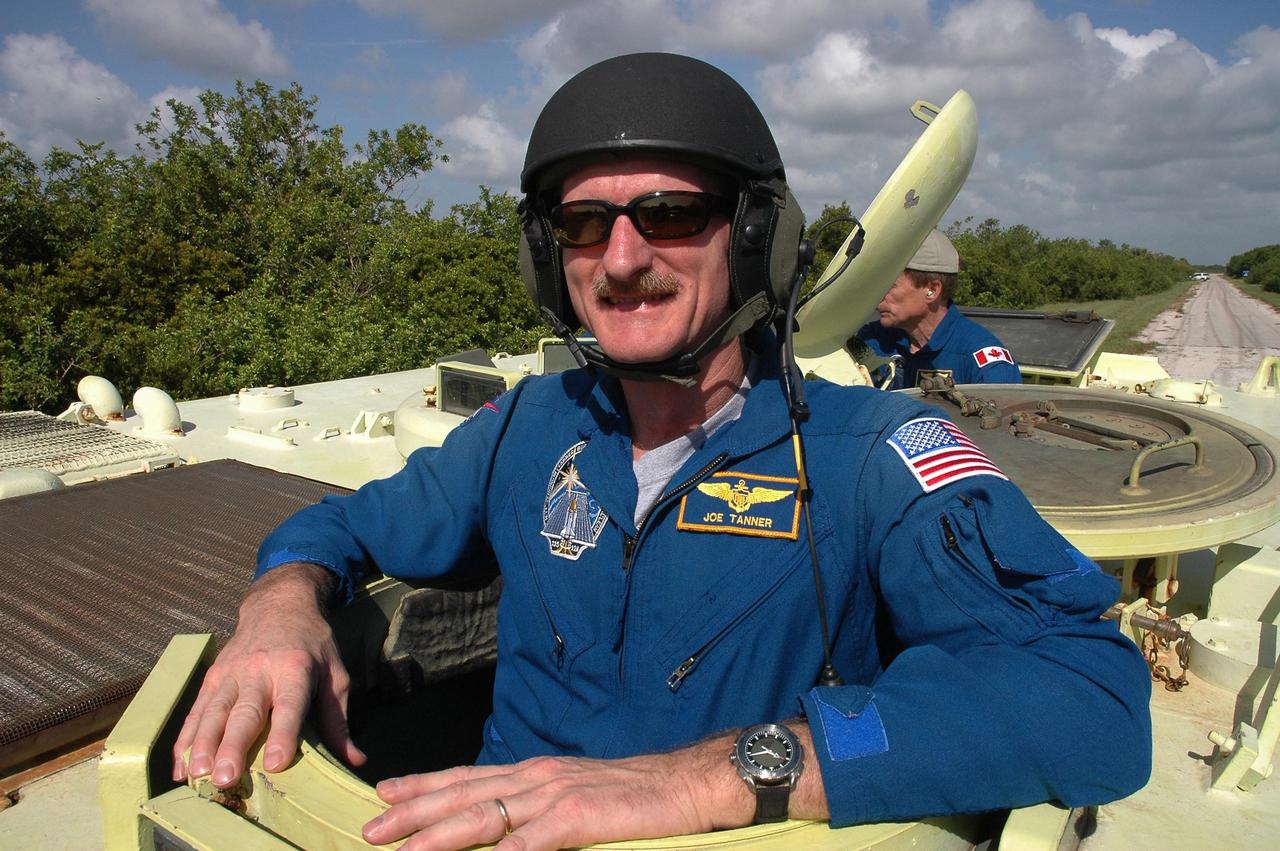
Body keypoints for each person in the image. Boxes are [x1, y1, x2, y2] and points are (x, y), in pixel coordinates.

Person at [174, 53, 1150, 850]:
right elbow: (343, 524)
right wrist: (277, 605)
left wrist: (704, 776)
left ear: (757, 238)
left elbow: (1090, 699)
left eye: (670, 212)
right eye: (582, 224)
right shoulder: (528, 424)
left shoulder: (871, 455)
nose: (623, 256)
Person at [855, 229, 1022, 388]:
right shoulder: (871, 341)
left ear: (932, 290)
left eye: (889, 285)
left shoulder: (984, 361)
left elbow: (1003, 413)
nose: (878, 295)